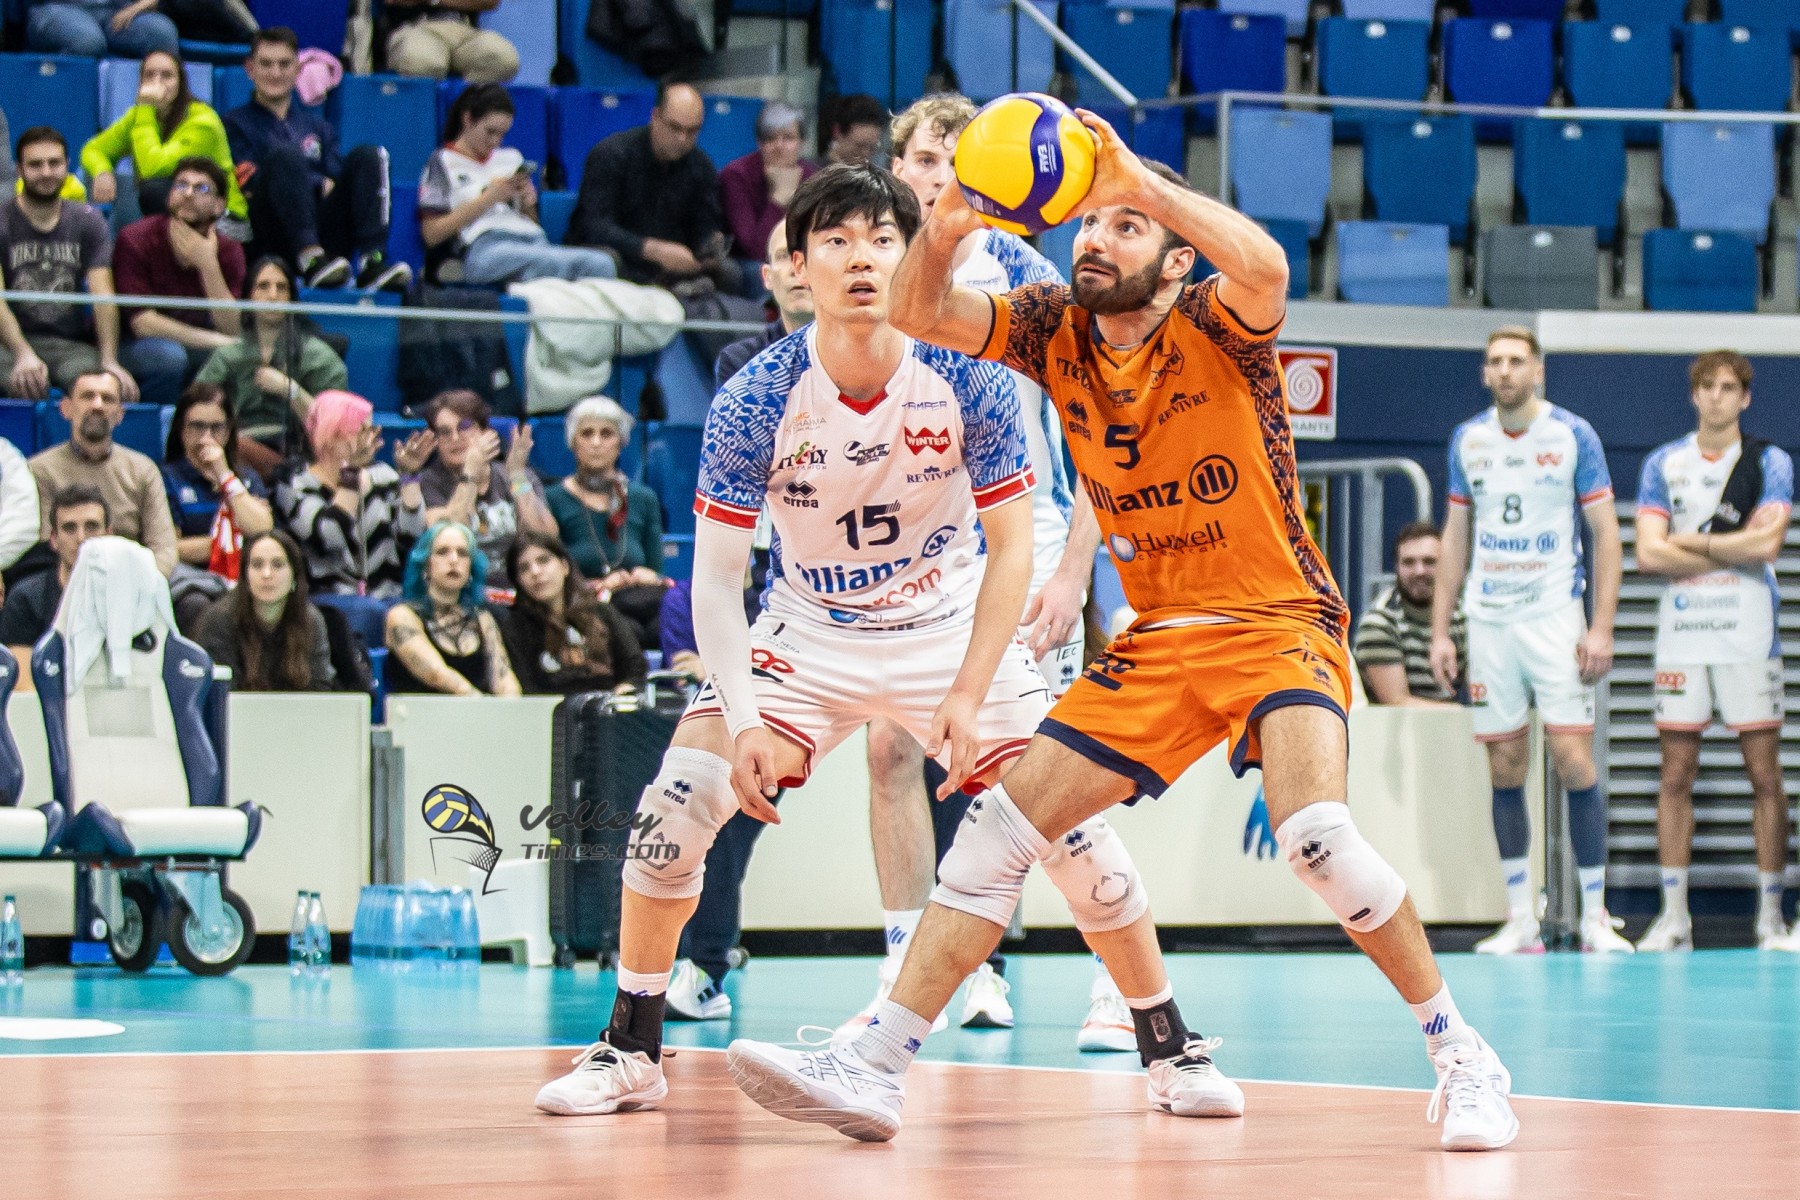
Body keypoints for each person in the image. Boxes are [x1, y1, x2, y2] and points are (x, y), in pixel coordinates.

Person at [726, 115, 1519, 1152]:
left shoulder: (1221, 320)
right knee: (999, 831)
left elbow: (1268, 266)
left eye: (1126, 227)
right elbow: (921, 309)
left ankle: (1464, 1055)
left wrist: (1137, 178)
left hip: (1276, 620)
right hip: (1158, 637)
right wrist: (953, 215)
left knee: (1317, 839)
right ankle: (876, 1065)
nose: (1096, 239)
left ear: (1177, 258)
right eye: (1088, 224)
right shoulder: (1052, 327)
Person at [532, 165, 1179, 1125]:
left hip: (946, 625)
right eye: (835, 240)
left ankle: (1168, 1043)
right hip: (809, 631)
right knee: (674, 809)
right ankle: (631, 1046)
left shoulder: (966, 374)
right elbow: (714, 583)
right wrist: (742, 720)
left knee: (1074, 832)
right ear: (799, 265)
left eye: (883, 238)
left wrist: (968, 690)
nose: (862, 258)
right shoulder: (757, 396)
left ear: (912, 258)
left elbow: (1012, 548)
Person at [835, 91, 1126, 1043]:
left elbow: (1103, 429)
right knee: (890, 749)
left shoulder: (1027, 273)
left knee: (1042, 770)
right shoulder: (872, 270)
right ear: (897, 169)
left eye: (954, 160)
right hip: (916, 546)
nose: (936, 177)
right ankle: (906, 971)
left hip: (1023, 538)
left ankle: (1118, 982)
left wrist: (1073, 571)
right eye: (922, 159)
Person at [1429, 326, 1628, 956]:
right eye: (1495, 361)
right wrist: (1441, 629)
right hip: (1490, 620)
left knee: (1573, 761)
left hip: (1554, 615)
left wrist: (1600, 625)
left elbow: (1607, 534)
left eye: (1517, 360)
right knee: (1505, 766)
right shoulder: (1468, 438)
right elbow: (1455, 536)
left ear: (1538, 370)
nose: (1506, 371)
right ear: (1485, 373)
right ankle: (1521, 920)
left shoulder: (1573, 434)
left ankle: (1595, 918)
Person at [1632, 351, 1797, 953]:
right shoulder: (1663, 463)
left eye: (1729, 387)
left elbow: (1767, 545)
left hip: (1748, 629)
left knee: (1765, 774)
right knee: (1675, 774)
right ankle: (1674, 917)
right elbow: (1648, 554)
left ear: (1745, 398)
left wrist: (1690, 542)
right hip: (1683, 632)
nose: (1718, 397)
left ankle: (1770, 917)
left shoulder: (1768, 461)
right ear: (1694, 395)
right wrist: (1729, 544)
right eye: (1708, 386)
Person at [224, 27, 411, 293]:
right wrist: (313, 182)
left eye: (284, 64)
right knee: (285, 157)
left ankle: (372, 261)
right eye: (266, 64)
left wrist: (318, 183)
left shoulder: (319, 127)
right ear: (249, 69)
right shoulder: (233, 124)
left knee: (371, 155)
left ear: (298, 69)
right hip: (270, 237)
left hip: (325, 233)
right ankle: (309, 258)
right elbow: (250, 184)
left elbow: (335, 179)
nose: (275, 73)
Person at [420, 84, 618, 287]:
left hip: (532, 240)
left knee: (602, 264)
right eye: (490, 132)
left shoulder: (512, 158)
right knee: (555, 264)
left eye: (502, 134)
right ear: (468, 119)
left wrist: (527, 203)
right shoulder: (443, 161)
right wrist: (488, 199)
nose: (495, 141)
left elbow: (532, 222)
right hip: (486, 246)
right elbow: (431, 234)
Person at [0, 126, 138, 402]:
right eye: (35, 165)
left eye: (54, 163)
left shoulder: (88, 221)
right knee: (23, 387)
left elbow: (103, 296)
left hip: (69, 345)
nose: (46, 172)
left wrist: (109, 360)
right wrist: (22, 352)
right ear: (19, 170)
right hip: (7, 344)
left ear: (67, 166)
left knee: (102, 391)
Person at [566, 82, 736, 292]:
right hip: (623, 256)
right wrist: (650, 249)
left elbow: (704, 224)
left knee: (729, 272)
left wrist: (708, 245)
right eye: (675, 128)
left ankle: (685, 294)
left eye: (692, 131)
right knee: (607, 261)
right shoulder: (611, 155)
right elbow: (594, 226)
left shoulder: (701, 166)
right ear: (655, 117)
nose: (682, 139)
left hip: (674, 264)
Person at [194, 256, 348, 478]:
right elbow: (194, 410)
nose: (273, 295)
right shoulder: (228, 356)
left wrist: (291, 390)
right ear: (249, 296)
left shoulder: (319, 357)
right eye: (263, 286)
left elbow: (335, 431)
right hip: (234, 446)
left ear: (291, 298)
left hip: (300, 454)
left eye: (281, 288)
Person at [111, 156, 247, 408]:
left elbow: (231, 328)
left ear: (219, 206)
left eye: (201, 188)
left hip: (194, 344)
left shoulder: (229, 250)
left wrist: (208, 264)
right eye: (181, 185)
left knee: (240, 359)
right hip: (133, 344)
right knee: (171, 356)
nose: (188, 193)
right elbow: (143, 324)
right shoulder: (135, 239)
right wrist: (215, 341)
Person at [273, 388, 432, 598]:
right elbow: (329, 537)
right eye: (361, 430)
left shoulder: (382, 476)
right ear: (331, 434)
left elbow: (413, 536)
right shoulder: (295, 485)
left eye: (371, 428)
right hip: (327, 600)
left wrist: (410, 477)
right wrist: (352, 476)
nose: (370, 437)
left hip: (388, 598)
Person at [542, 395, 667, 646]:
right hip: (582, 605)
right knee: (627, 630)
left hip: (637, 600)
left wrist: (645, 576)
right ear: (573, 443)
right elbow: (549, 570)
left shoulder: (644, 498)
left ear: (621, 442)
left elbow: (656, 569)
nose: (596, 443)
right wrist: (602, 585)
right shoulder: (552, 498)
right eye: (586, 434)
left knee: (662, 626)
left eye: (606, 434)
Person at [28, 368, 178, 575]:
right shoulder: (39, 470)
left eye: (107, 399)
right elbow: (46, 546)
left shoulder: (143, 470)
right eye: (87, 396)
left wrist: (142, 585)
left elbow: (164, 549)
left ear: (120, 414)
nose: (97, 405)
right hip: (64, 580)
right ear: (66, 408)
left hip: (131, 578)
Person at [80, 50, 248, 225]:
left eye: (167, 76)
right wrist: (102, 171)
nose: (157, 82)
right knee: (90, 175)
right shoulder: (137, 116)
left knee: (155, 190)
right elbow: (92, 149)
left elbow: (153, 169)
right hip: (180, 211)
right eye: (149, 75)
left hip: (223, 219)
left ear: (180, 83)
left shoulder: (204, 122)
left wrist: (146, 108)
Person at [161, 381, 273, 629]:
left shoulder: (245, 478)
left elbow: (262, 529)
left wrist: (224, 476)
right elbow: (170, 547)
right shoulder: (166, 478)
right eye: (197, 426)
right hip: (191, 581)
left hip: (245, 577)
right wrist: (233, 542)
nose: (206, 437)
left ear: (229, 430)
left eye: (216, 427)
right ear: (181, 430)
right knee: (200, 605)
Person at [416, 389, 555, 585]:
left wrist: (517, 477)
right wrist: (470, 475)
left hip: (520, 584)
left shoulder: (514, 476)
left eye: (464, 426)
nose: (455, 438)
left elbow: (547, 539)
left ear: (486, 432)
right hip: (465, 587)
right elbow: (444, 538)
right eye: (445, 432)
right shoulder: (429, 482)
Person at [498, 529, 645, 695]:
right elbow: (526, 687)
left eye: (543, 560)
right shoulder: (515, 627)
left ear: (565, 566)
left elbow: (635, 665)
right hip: (547, 709)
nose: (535, 572)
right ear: (518, 581)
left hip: (606, 704)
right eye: (524, 568)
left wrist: (624, 689)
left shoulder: (601, 611)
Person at [383, 520, 521, 695]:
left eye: (462, 553)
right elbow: (436, 674)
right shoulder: (401, 616)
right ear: (425, 564)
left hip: (480, 709)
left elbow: (503, 677)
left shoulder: (482, 619)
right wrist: (484, 705)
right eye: (442, 552)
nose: (454, 560)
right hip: (424, 710)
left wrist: (513, 704)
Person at [193, 529, 335, 690]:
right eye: (257, 565)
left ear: (295, 576)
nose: (266, 574)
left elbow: (320, 690)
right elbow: (221, 692)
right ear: (245, 577)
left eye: (277, 565)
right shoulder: (218, 620)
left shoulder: (311, 620)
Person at [1355, 521, 1466, 706]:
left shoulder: (1463, 616)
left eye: (1429, 562)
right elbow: (1397, 702)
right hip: (1395, 724)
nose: (1419, 571)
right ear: (1396, 568)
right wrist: (1462, 714)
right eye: (1408, 562)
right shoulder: (1379, 622)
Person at [0, 484, 109, 646]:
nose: (81, 538)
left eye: (91, 527)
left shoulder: (133, 594)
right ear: (54, 539)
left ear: (109, 534)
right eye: (69, 528)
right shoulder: (26, 599)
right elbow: (21, 662)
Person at [713, 221, 813, 388]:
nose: (795, 269)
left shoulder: (860, 357)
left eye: (807, 255)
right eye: (784, 256)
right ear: (767, 277)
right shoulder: (740, 362)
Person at [718, 103, 818, 268]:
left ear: (802, 142)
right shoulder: (736, 175)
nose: (779, 146)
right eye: (770, 138)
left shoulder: (813, 178)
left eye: (788, 138)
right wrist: (779, 198)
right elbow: (756, 252)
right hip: (749, 265)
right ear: (759, 143)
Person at [382, 0, 519, 85]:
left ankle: (465, 110)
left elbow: (490, 2)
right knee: (423, 62)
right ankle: (425, 117)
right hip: (415, 28)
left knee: (503, 60)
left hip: (464, 29)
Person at [24, 0, 179, 59]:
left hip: (114, 11)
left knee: (162, 34)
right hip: (59, 8)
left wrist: (142, 4)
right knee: (88, 42)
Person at [822, 94, 886, 167]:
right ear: (837, 132)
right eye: (859, 146)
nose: (866, 154)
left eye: (872, 148)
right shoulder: (815, 172)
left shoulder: (874, 172)